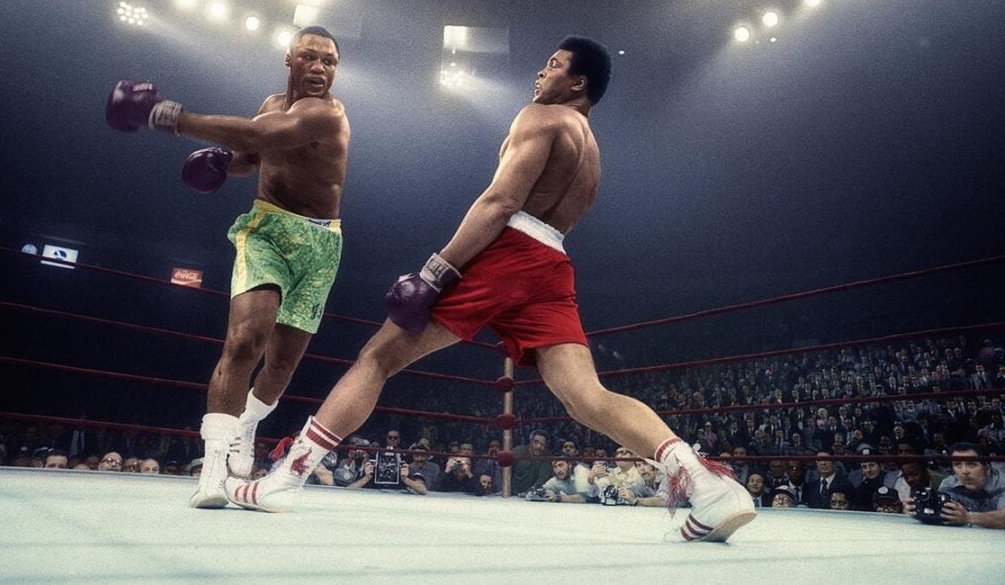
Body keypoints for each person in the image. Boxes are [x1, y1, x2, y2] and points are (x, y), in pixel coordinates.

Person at [225, 36, 754, 542]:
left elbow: (500, 202)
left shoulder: (540, 117)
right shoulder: (591, 148)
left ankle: (285, 478)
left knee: (378, 357)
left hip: (509, 252)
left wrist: (436, 270)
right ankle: (709, 486)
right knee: (586, 397)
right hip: (552, 263)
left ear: (578, 83)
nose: (541, 72)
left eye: (554, 65)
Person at [106, 26, 349, 508]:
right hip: (266, 231)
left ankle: (248, 426)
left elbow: (262, 135)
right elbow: (251, 154)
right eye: (309, 57)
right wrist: (223, 162)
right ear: (289, 60)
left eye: (329, 61)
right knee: (244, 340)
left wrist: (166, 115)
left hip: (321, 244)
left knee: (280, 365)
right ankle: (212, 472)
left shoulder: (328, 113)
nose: (320, 68)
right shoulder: (270, 104)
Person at [903, 442, 1005, 529]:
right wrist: (917, 510)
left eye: (971, 464)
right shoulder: (949, 484)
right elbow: (941, 515)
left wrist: (969, 517)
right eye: (957, 464)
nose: (964, 471)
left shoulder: (1002, 482)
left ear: (987, 467)